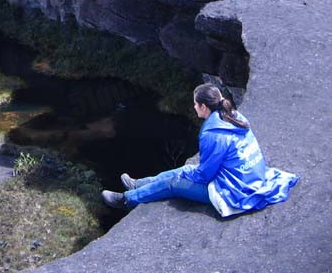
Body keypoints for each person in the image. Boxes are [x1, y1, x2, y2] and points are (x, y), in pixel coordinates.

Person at [102, 83, 299, 217]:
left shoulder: (212, 134)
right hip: (249, 177)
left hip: (234, 192)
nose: (194, 107)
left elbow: (205, 175)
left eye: (195, 104)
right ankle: (138, 184)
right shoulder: (235, 117)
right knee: (186, 170)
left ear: (204, 107)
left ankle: (126, 200)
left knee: (174, 183)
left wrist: (189, 174)